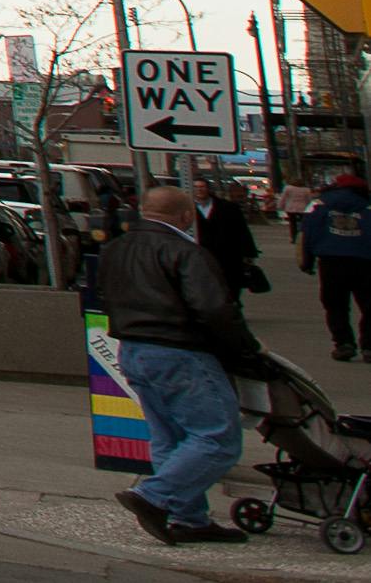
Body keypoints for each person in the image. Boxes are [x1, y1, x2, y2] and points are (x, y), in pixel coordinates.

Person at [100, 182, 271, 547]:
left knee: (169, 438)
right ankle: (155, 495)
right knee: (218, 438)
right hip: (181, 351)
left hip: (132, 349)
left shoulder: (115, 249)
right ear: (186, 216)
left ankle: (188, 518)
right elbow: (214, 310)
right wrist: (246, 353)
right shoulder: (186, 252)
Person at [301, 162, 371, 361]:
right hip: (365, 262)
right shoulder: (367, 205)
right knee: (369, 306)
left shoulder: (320, 204)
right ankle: (369, 346)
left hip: (331, 261)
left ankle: (343, 344)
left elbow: (308, 233)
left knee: (335, 305)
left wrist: (307, 261)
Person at [201, 179, 271, 297]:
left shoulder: (228, 207)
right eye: (196, 187)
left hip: (227, 252)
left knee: (230, 281)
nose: (199, 190)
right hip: (202, 251)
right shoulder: (187, 207)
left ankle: (232, 303)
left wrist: (249, 253)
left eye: (202, 187)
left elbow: (242, 230)